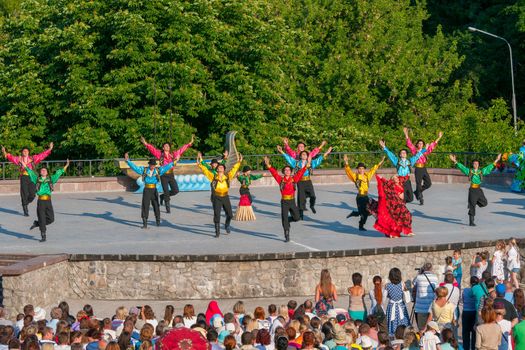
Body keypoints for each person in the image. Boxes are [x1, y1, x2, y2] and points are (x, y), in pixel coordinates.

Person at [140, 135, 194, 213]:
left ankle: (162, 196)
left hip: (171, 174)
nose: (167, 146)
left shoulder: (173, 154)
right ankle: (168, 208)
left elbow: (181, 150)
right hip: (163, 175)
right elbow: (152, 149)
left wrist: (189, 143)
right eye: (165, 146)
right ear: (163, 148)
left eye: (168, 146)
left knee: (176, 190)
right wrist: (145, 143)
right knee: (166, 191)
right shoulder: (160, 154)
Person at [20, 158, 69, 242]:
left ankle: (37, 223)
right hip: (41, 202)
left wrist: (66, 165)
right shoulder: (36, 179)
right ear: (40, 172)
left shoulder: (51, 179)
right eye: (42, 170)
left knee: (51, 219)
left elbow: (59, 173)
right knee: (42, 218)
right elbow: (29, 171)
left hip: (48, 201)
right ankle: (43, 236)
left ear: (47, 172)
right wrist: (23, 164)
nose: (43, 171)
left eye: (45, 170)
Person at [263, 155, 310, 242]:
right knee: (284, 218)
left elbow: (300, 173)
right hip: (284, 201)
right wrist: (268, 165)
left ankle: (287, 220)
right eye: (286, 170)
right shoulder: (281, 180)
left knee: (297, 218)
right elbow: (274, 173)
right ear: (284, 172)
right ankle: (287, 234)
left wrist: (305, 167)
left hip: (292, 201)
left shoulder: (294, 179)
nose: (287, 171)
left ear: (291, 172)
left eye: (289, 170)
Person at [277, 145, 332, 219]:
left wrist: (327, 152)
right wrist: (281, 151)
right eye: (302, 154)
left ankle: (312, 205)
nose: (304, 155)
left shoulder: (311, 163)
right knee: (301, 198)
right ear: (300, 156)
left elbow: (320, 159)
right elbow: (288, 158)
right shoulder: (296, 163)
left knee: (313, 195)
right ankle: (301, 213)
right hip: (300, 182)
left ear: (307, 156)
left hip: (308, 181)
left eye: (305, 154)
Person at [125, 153, 177, 229]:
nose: (152, 166)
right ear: (149, 165)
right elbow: (135, 168)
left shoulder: (158, 170)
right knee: (145, 205)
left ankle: (158, 220)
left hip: (154, 190)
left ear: (155, 165)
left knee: (156, 205)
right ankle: (145, 223)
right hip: (147, 190)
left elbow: (166, 167)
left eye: (153, 165)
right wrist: (128, 161)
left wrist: (173, 162)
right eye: (151, 165)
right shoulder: (144, 170)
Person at [449, 153, 502, 226]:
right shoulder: (470, 172)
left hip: (479, 189)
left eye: (477, 163)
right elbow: (462, 167)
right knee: (472, 206)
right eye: (474, 163)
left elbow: (490, 167)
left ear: (478, 165)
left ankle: (474, 202)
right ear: (473, 165)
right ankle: (471, 221)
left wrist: (497, 159)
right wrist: (455, 161)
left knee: (484, 203)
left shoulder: (481, 171)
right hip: (472, 190)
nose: (476, 165)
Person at [197, 152, 242, 237]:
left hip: (225, 197)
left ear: (224, 169)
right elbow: (205, 170)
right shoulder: (213, 176)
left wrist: (239, 162)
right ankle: (217, 231)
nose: (221, 167)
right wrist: (200, 164)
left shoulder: (228, 176)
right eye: (219, 167)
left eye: (222, 167)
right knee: (217, 214)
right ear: (217, 169)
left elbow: (234, 169)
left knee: (230, 214)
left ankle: (227, 224)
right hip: (216, 197)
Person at [2, 143, 53, 216]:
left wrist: (50, 149)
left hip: (31, 177)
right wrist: (4, 151)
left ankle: (26, 202)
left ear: (28, 152)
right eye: (24, 151)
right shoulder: (19, 159)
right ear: (22, 152)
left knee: (32, 194)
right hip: (23, 177)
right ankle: (25, 208)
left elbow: (42, 155)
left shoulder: (33, 158)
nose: (25, 152)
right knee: (24, 193)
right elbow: (10, 157)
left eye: (26, 151)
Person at [343, 154, 385, 231]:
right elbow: (348, 171)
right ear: (358, 169)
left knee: (370, 210)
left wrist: (380, 162)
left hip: (366, 196)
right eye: (360, 168)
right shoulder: (355, 176)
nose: (361, 170)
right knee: (363, 213)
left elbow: (373, 169)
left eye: (363, 168)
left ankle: (356, 214)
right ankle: (361, 225)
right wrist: (346, 162)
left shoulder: (367, 176)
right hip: (360, 197)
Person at [402, 128, 443, 205]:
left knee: (428, 183)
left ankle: (418, 191)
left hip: (423, 168)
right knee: (418, 183)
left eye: (422, 144)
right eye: (419, 143)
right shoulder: (414, 150)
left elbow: (432, 146)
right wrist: (406, 134)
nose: (420, 145)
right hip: (418, 168)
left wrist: (439, 137)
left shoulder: (425, 151)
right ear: (417, 144)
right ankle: (420, 198)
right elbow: (409, 144)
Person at [379, 139, 427, 203]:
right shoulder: (397, 161)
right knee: (402, 197)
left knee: (410, 198)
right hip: (400, 182)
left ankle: (400, 201)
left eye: (405, 153)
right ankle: (401, 204)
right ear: (400, 155)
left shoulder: (410, 161)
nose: (403, 154)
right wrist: (384, 147)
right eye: (402, 153)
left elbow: (417, 155)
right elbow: (390, 155)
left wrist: (424, 149)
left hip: (407, 181)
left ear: (406, 155)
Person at [413, 263, 438, 331]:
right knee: (431, 329)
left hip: (420, 308)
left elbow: (414, 283)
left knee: (421, 329)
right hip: (431, 306)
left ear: (423, 268)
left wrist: (420, 273)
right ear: (431, 269)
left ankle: (422, 340)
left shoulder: (419, 277)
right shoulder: (435, 277)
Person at [385, 268, 410, 336]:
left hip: (391, 305)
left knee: (392, 320)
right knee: (402, 319)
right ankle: (403, 333)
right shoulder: (402, 284)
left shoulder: (387, 286)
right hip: (401, 305)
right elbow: (406, 295)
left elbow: (386, 296)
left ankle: (392, 334)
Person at [461, 276, 479, 350]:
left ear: (470, 282)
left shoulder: (465, 290)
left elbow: (463, 300)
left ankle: (466, 348)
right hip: (474, 312)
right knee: (474, 332)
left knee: (466, 333)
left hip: (466, 312)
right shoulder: (478, 291)